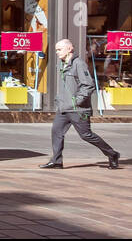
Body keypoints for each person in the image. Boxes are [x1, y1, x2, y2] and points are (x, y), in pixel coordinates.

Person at [41, 39, 120, 170]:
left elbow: (88, 85)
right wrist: (60, 100)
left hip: (78, 109)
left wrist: (76, 101)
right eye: (56, 49)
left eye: (59, 49)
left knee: (86, 135)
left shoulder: (79, 64)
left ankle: (112, 154)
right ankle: (56, 161)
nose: (57, 52)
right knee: (56, 131)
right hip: (64, 107)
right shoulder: (61, 64)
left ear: (69, 49)